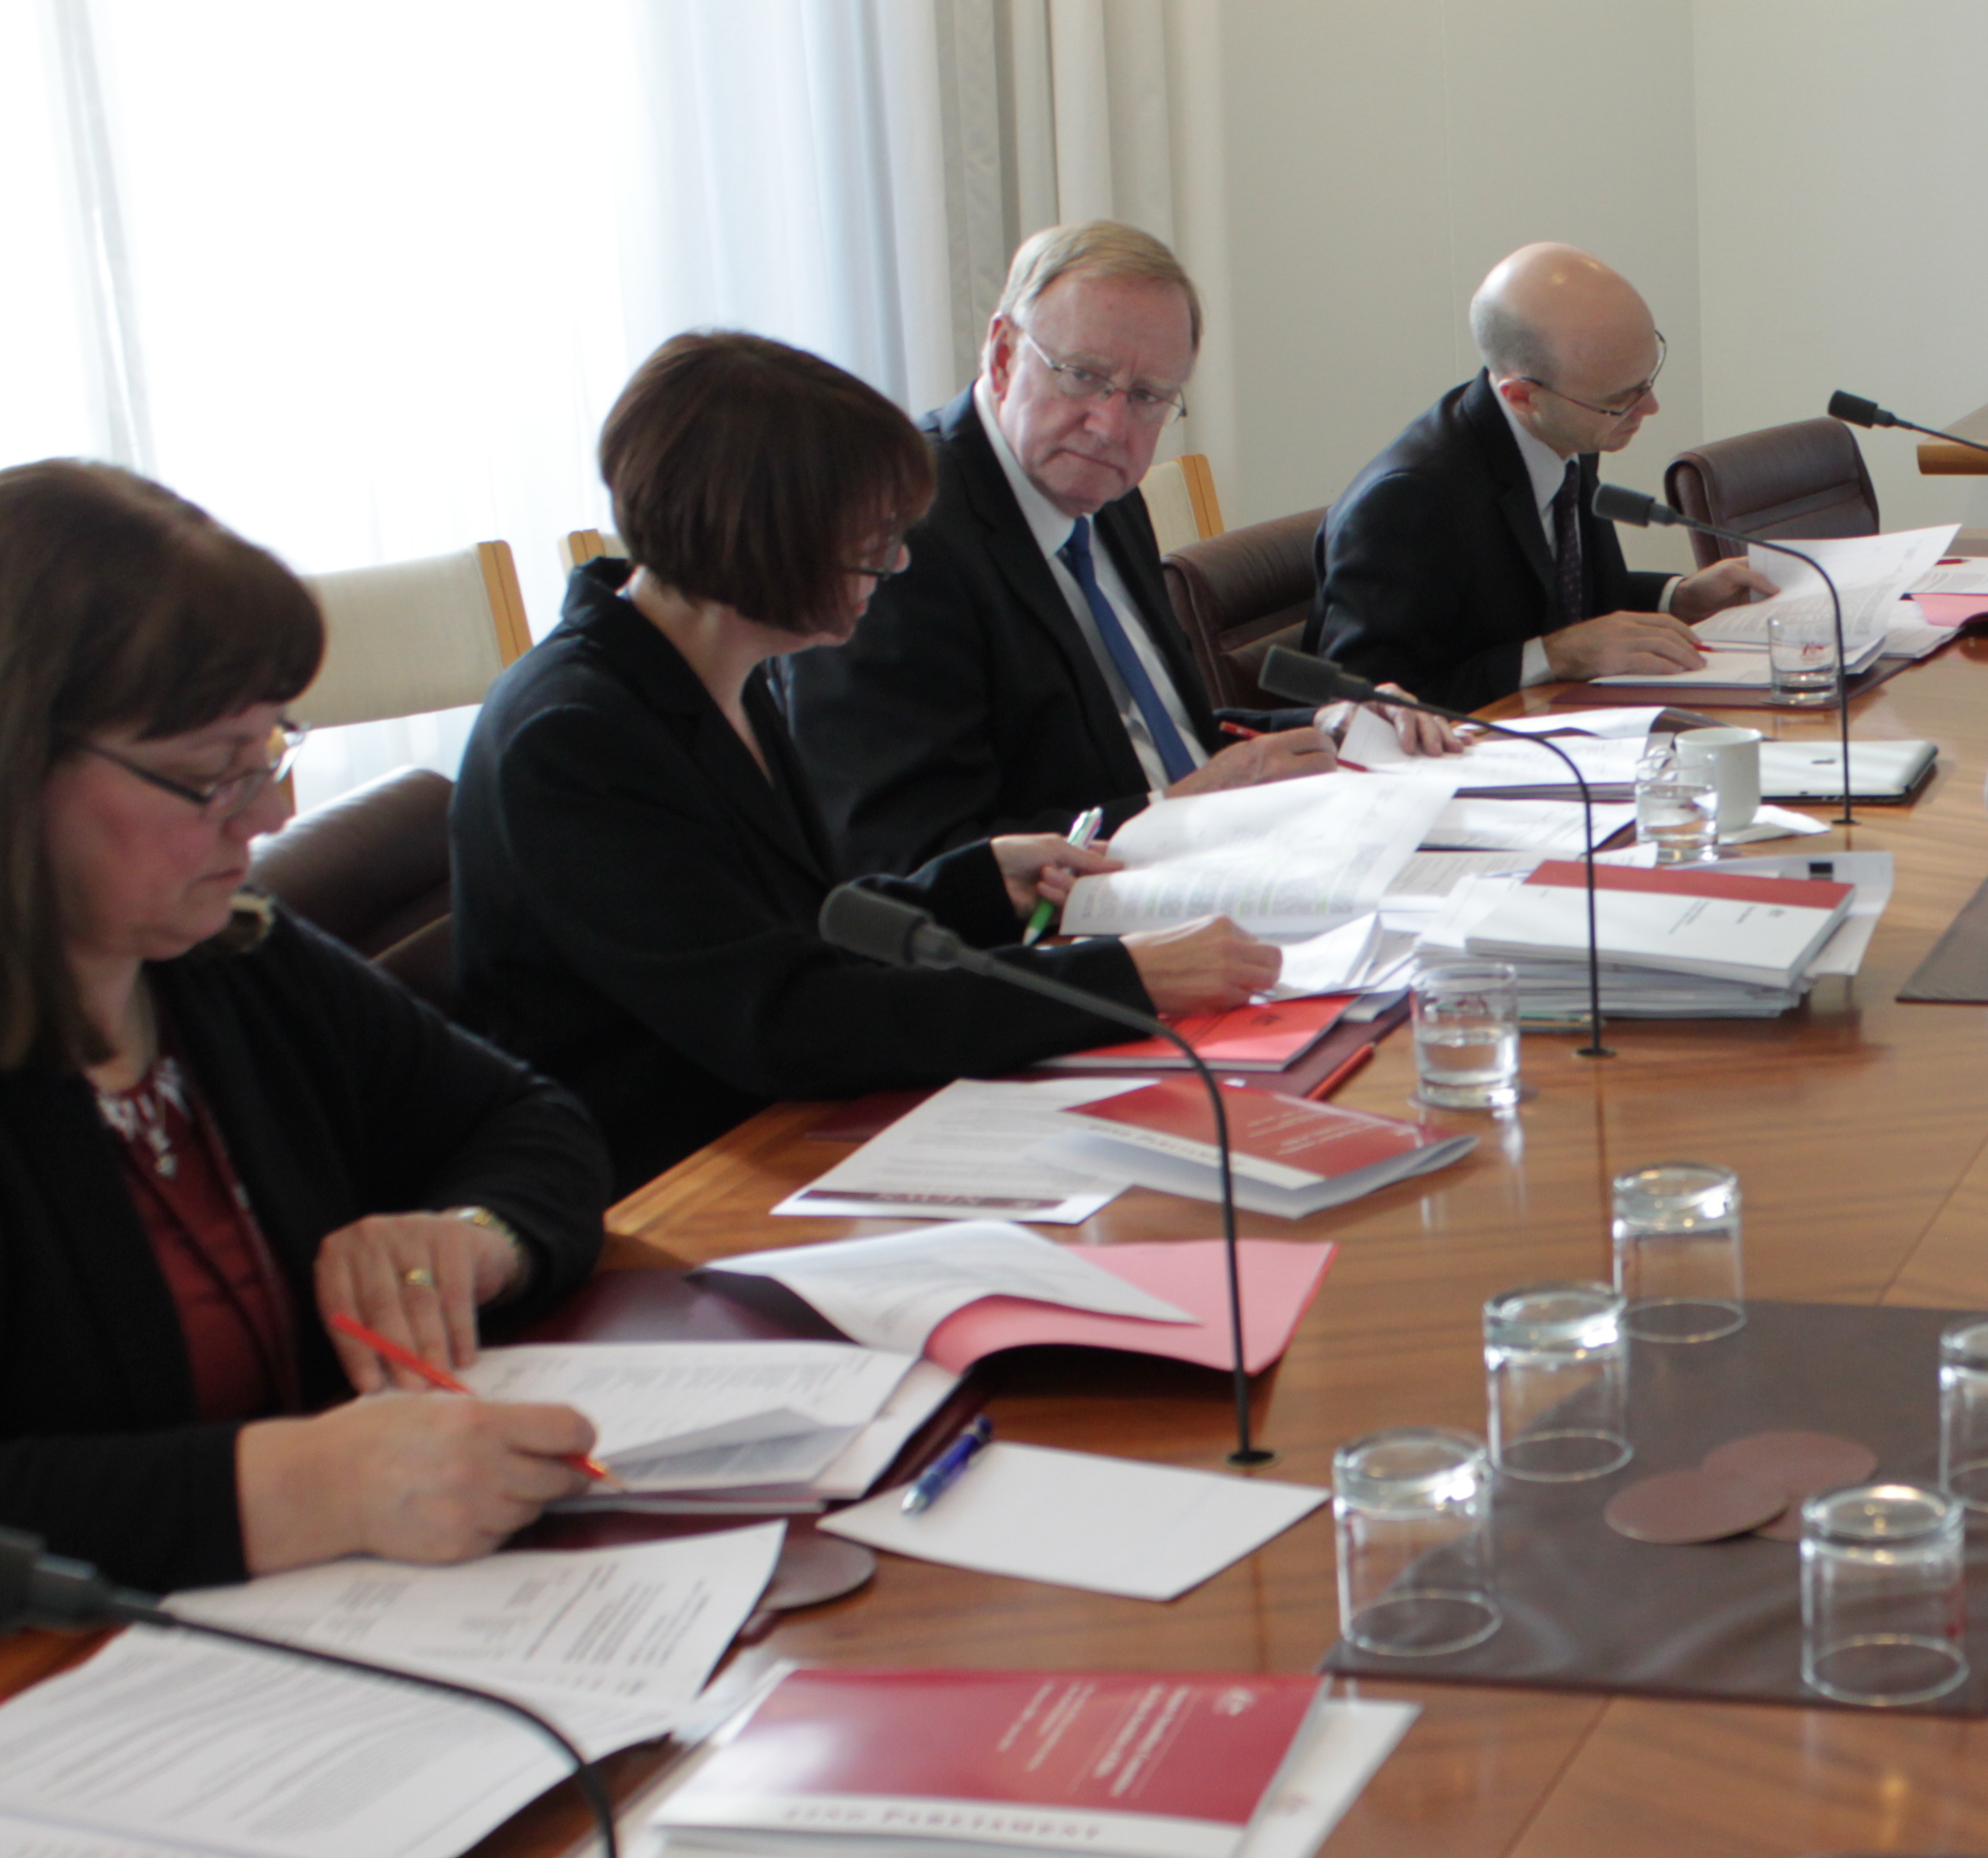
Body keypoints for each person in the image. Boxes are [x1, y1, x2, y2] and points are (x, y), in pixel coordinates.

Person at [451, 330, 1276, 1192]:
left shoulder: (716, 673)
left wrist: (970, 885)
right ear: (758, 536)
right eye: (872, 538)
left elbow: (782, 931)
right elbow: (782, 1018)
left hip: (779, 1131)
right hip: (669, 1187)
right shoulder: (572, 736)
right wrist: (1120, 977)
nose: (899, 562)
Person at [0, 460, 611, 1589]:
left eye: (273, 751)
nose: (273, 815)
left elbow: (531, 1119)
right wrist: (307, 1487)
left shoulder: (231, 956)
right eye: (213, 777)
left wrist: (469, 1236)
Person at [783, 223, 1418, 881]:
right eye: (1082, 377)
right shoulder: (895, 536)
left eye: (1146, 397)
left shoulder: (1105, 493)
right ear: (1002, 356)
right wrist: (1172, 814)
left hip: (1222, 873)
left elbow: (1153, 730)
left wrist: (1330, 720)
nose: (1110, 426)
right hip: (1063, 937)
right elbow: (908, 856)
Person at [1311, 243, 1767, 711]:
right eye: (1622, 397)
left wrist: (1678, 598)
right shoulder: (1407, 502)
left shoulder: (1568, 428)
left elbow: (1559, 596)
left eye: (1649, 379)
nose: (1649, 408)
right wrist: (1552, 656)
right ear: (1523, 395)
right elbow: (1365, 705)